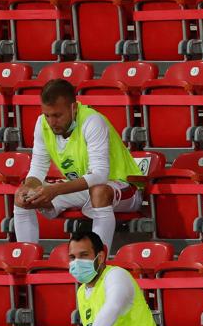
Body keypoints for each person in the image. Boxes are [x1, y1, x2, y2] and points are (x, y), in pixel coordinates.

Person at [13, 79, 145, 250]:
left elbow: (99, 175)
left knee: (99, 191)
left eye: (57, 115)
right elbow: (37, 169)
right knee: (22, 195)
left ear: (73, 108)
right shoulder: (42, 124)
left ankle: (99, 262)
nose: (52, 122)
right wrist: (29, 187)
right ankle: (26, 258)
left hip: (124, 186)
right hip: (84, 187)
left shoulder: (93, 121)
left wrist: (55, 190)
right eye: (47, 115)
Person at [43, 230, 161, 326]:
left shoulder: (116, 275)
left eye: (84, 255)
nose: (77, 262)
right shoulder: (82, 292)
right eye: (72, 257)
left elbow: (112, 308)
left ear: (100, 257)